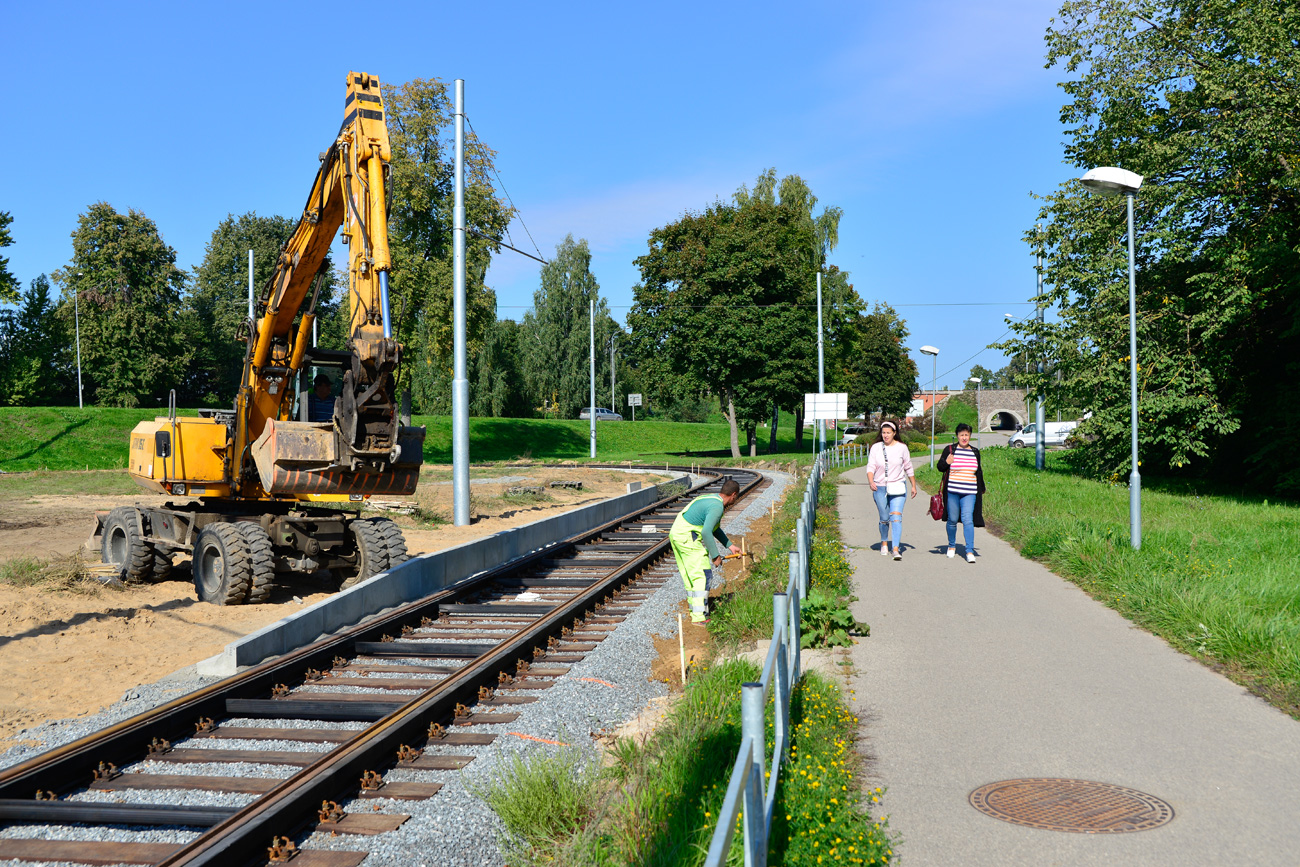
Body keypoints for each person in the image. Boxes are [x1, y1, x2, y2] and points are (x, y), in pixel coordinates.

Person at [669, 478, 741, 623]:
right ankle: (699, 617)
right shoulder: (717, 507)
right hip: (687, 536)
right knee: (703, 575)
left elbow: (713, 528)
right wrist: (715, 556)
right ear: (733, 494)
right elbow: (707, 531)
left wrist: (730, 546)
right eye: (736, 497)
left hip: (678, 533)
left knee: (691, 575)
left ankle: (695, 609)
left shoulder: (711, 499)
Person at [866, 420, 917, 560]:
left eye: (888, 433)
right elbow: (871, 466)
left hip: (898, 486)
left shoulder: (902, 448)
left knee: (896, 518)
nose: (886, 435)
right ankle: (884, 542)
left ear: (894, 433)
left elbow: (908, 467)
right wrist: (871, 481)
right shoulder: (876, 448)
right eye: (883, 433)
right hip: (880, 486)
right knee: (884, 518)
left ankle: (895, 548)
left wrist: (913, 485)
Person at [937, 422, 986, 563]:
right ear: (957, 436)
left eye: (967, 435)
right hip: (952, 491)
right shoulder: (950, 450)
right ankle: (951, 546)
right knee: (952, 519)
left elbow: (979, 471)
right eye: (961, 435)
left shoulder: (975, 451)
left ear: (970, 436)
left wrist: (981, 487)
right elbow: (940, 467)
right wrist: (947, 462)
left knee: (967, 519)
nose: (964, 438)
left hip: (969, 492)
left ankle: (969, 551)